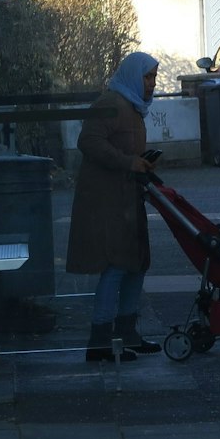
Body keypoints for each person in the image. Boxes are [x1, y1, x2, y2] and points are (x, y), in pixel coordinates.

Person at [67, 51, 160, 362]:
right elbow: (89, 142)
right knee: (116, 265)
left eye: (153, 77)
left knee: (136, 263)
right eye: (147, 77)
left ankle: (126, 332)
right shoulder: (111, 103)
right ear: (134, 76)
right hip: (107, 201)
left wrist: (142, 164)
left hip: (127, 198)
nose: (152, 83)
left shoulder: (132, 107)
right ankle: (101, 339)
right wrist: (127, 162)